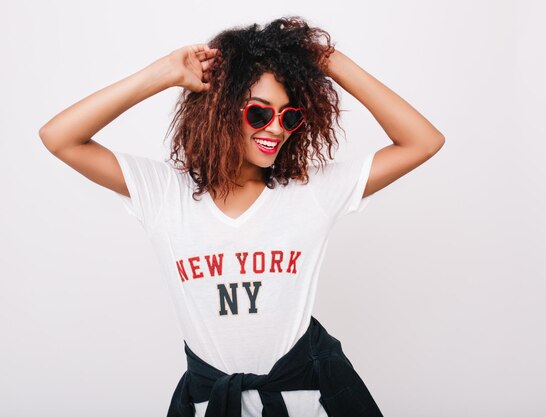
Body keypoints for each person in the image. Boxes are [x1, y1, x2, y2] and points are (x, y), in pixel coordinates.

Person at [39, 16, 444, 417]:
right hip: (210, 404)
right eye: (258, 113)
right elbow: (59, 137)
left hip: (304, 401)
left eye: (288, 117)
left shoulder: (311, 193)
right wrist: (162, 73)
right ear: (219, 109)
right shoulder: (165, 194)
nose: (275, 130)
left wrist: (328, 61)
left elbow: (423, 141)